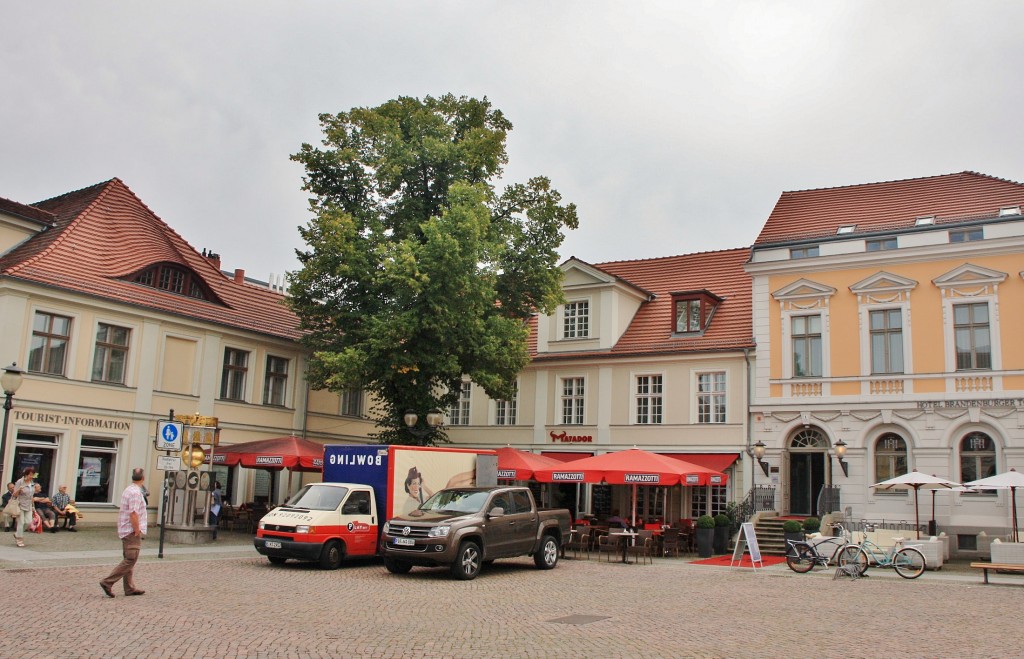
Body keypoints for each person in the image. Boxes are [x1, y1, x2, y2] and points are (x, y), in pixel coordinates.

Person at [100, 468, 148, 597]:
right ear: (143, 478)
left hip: (126, 529)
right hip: (131, 530)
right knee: (131, 559)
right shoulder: (135, 493)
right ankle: (108, 582)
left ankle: (129, 587)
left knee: (129, 558)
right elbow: (133, 513)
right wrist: (137, 530)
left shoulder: (129, 489)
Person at [12, 467, 37, 547]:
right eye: (30, 475)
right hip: (20, 504)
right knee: (21, 522)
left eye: (33, 475)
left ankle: (17, 534)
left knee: (28, 522)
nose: (31, 476)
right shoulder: (20, 482)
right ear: (26, 474)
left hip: (29, 505)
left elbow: (32, 495)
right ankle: (19, 539)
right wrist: (19, 489)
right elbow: (14, 494)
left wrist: (33, 507)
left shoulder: (32, 483)